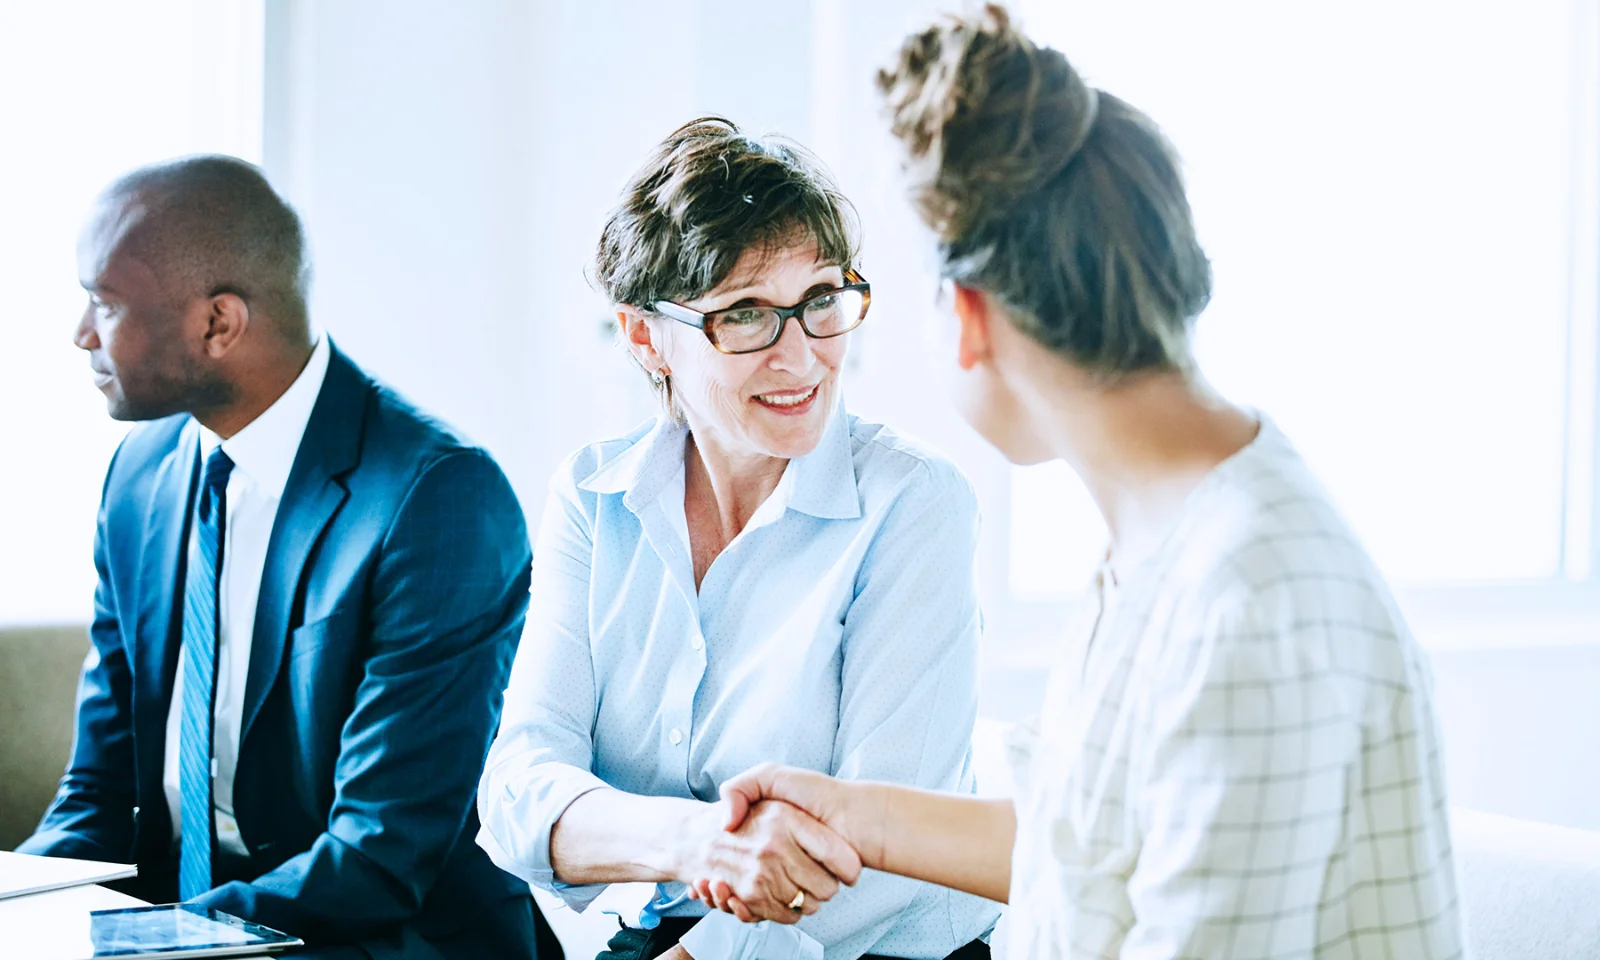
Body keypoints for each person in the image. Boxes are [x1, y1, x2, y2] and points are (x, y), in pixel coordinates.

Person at [704, 8, 1467, 958]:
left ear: (971, 319)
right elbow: (1090, 845)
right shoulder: (1170, 532)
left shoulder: (1254, 597)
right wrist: (854, 815)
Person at [476, 118, 1000, 960]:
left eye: (822, 301)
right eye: (747, 314)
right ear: (646, 336)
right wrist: (699, 845)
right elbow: (517, 798)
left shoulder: (914, 501)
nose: (802, 356)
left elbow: (885, 853)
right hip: (664, 935)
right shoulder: (591, 495)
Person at [20, 155, 559, 960]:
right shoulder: (140, 475)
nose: (82, 335)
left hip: (380, 940)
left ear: (218, 325)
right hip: (192, 926)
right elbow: (98, 796)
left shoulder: (437, 498)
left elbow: (379, 857)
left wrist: (143, 944)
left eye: (106, 303)